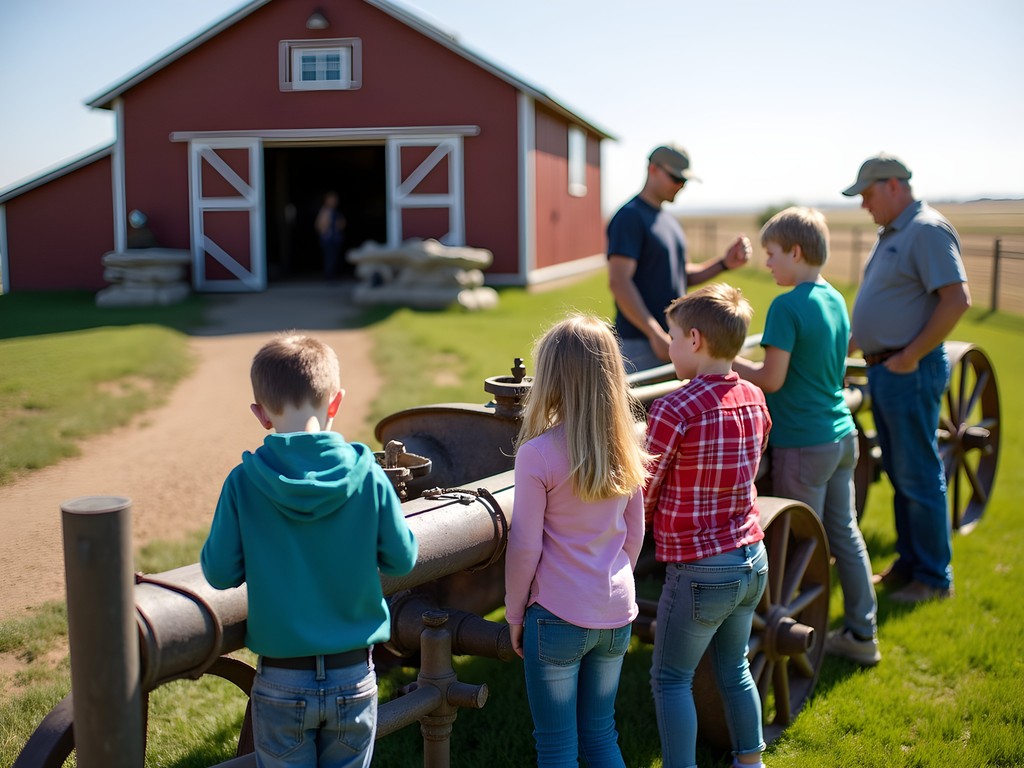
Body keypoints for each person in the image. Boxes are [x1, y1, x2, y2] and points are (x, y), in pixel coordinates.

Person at [200, 333, 418, 768]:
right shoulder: (369, 478)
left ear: (260, 414)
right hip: (353, 673)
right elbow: (402, 559)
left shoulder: (243, 483)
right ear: (335, 403)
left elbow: (220, 572)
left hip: (282, 676)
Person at [732, 207, 880, 666]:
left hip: (802, 444)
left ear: (796, 252)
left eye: (774, 254)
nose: (768, 263)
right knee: (844, 534)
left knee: (798, 549)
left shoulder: (787, 305)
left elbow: (770, 379)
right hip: (841, 435)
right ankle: (863, 632)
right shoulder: (834, 297)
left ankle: (796, 643)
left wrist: (725, 360)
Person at [504, 314, 650, 767]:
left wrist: (513, 613)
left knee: (556, 744)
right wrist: (611, 578)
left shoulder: (536, 454)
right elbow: (636, 533)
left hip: (557, 618)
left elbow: (525, 545)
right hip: (616, 615)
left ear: (550, 377)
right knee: (601, 733)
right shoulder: (627, 445)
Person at [645, 283, 771, 768]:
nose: (671, 347)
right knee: (734, 667)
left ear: (694, 340)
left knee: (670, 678)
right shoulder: (755, 397)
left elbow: (647, 487)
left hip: (700, 569)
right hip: (750, 558)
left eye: (673, 338)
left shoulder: (675, 407)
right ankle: (750, 761)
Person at [843, 154, 971, 604]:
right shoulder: (895, 232)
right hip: (886, 366)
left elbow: (956, 300)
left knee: (917, 472)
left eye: (868, 194)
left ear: (894, 185)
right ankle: (910, 563)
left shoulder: (926, 230)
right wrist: (854, 344)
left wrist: (910, 356)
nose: (864, 204)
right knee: (900, 471)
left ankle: (934, 579)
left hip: (906, 370)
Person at [606, 144, 753, 373]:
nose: (681, 186)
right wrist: (655, 334)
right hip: (640, 345)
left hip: (674, 342)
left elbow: (680, 274)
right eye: (676, 178)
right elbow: (619, 281)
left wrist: (723, 263)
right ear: (653, 169)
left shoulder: (670, 221)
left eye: (685, 181)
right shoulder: (630, 217)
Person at [316, 191, 347, 280]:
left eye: (334, 199)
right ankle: (329, 276)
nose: (333, 201)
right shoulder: (325, 211)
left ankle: (333, 275)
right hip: (328, 239)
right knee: (329, 258)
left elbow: (341, 225)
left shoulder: (336, 212)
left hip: (336, 238)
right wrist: (325, 226)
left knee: (335, 258)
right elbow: (319, 226)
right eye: (331, 199)